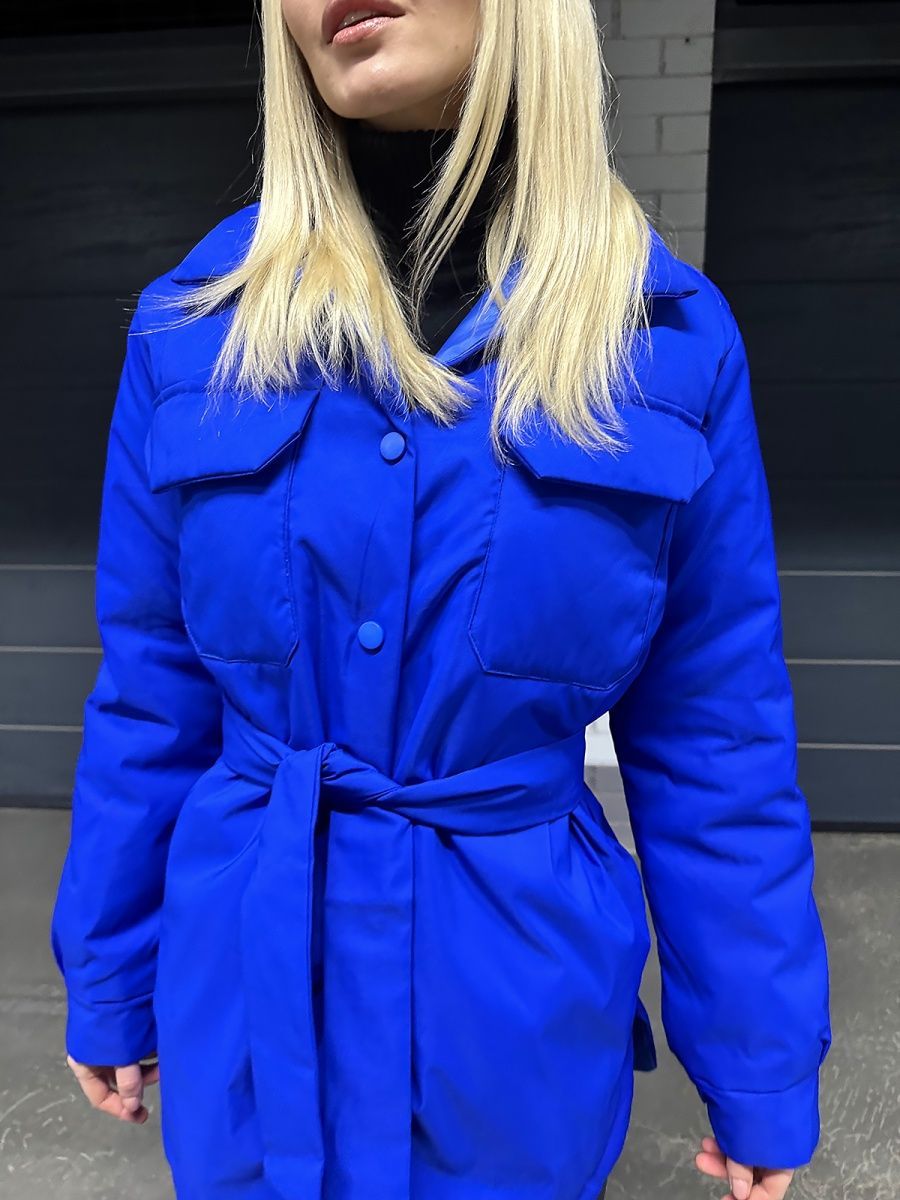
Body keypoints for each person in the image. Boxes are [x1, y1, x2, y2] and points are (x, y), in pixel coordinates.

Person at [49, 1, 832, 1198]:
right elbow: (152, 691)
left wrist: (758, 1062)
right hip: (252, 1000)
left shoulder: (664, 339)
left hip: (515, 1036)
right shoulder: (192, 330)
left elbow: (715, 734)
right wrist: (110, 969)